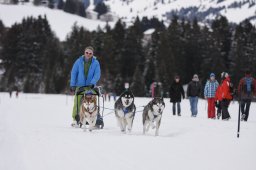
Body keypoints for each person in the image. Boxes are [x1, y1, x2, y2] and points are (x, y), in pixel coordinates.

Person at [70, 46, 101, 126]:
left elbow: (97, 74)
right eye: (87, 52)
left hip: (91, 86)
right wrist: (72, 84)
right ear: (84, 52)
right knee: (77, 101)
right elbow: (74, 73)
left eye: (90, 53)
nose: (88, 54)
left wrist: (93, 82)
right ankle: (75, 119)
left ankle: (92, 119)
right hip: (80, 85)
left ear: (92, 54)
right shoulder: (78, 61)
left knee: (93, 101)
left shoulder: (95, 62)